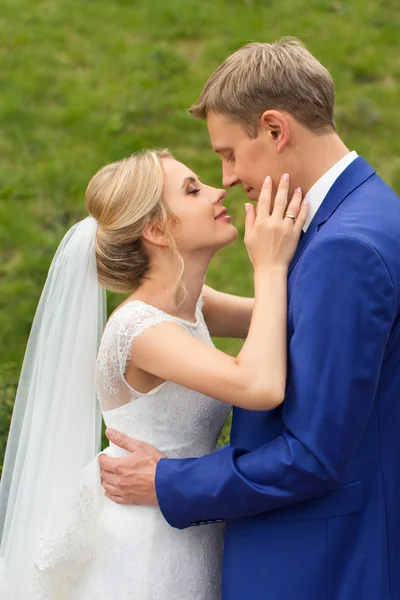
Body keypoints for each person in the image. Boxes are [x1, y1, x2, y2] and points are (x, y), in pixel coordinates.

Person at [99, 39, 400, 600]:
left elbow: (311, 454)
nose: (228, 178)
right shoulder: (367, 213)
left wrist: (169, 481)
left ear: (275, 129)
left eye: (229, 153)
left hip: (319, 563)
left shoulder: (345, 248)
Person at [0, 148, 306, 598]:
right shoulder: (140, 329)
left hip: (186, 512)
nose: (218, 190)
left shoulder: (191, 302)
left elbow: (285, 320)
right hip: (148, 541)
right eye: (193, 189)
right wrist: (270, 265)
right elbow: (257, 385)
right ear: (157, 230)